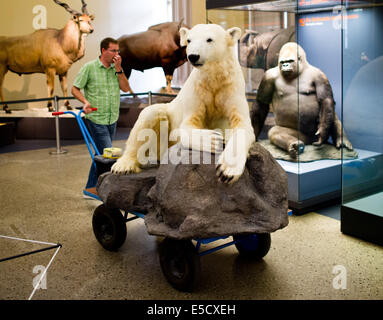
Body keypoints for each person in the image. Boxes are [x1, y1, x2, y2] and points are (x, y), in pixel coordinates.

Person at [71, 37, 133, 199]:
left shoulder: (116, 68)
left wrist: (119, 69)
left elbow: (126, 89)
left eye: (118, 51)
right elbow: (75, 89)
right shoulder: (89, 68)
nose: (116, 54)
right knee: (108, 155)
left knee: (101, 154)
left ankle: (90, 188)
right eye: (113, 50)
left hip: (112, 117)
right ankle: (107, 190)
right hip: (96, 118)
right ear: (103, 50)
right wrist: (85, 101)